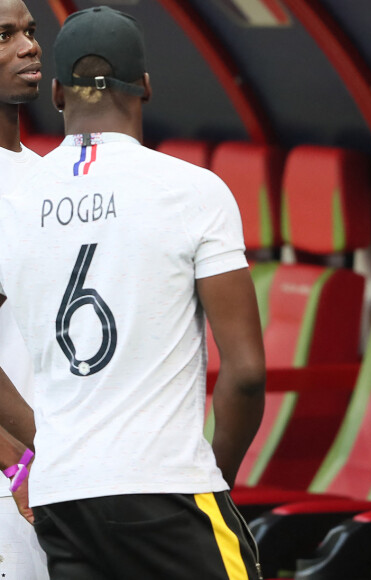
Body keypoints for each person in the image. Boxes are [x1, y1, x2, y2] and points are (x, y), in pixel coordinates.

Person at [0, 5, 266, 579]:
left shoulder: (17, 203)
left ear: (56, 94)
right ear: (144, 86)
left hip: (62, 495)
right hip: (168, 486)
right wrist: (214, 474)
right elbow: (245, 374)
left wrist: (39, 446)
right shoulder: (193, 190)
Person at [0, 0, 49, 577]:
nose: (30, 46)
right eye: (4, 35)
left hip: (50, 475)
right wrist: (21, 460)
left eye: (31, 33)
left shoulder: (48, 179)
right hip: (17, 477)